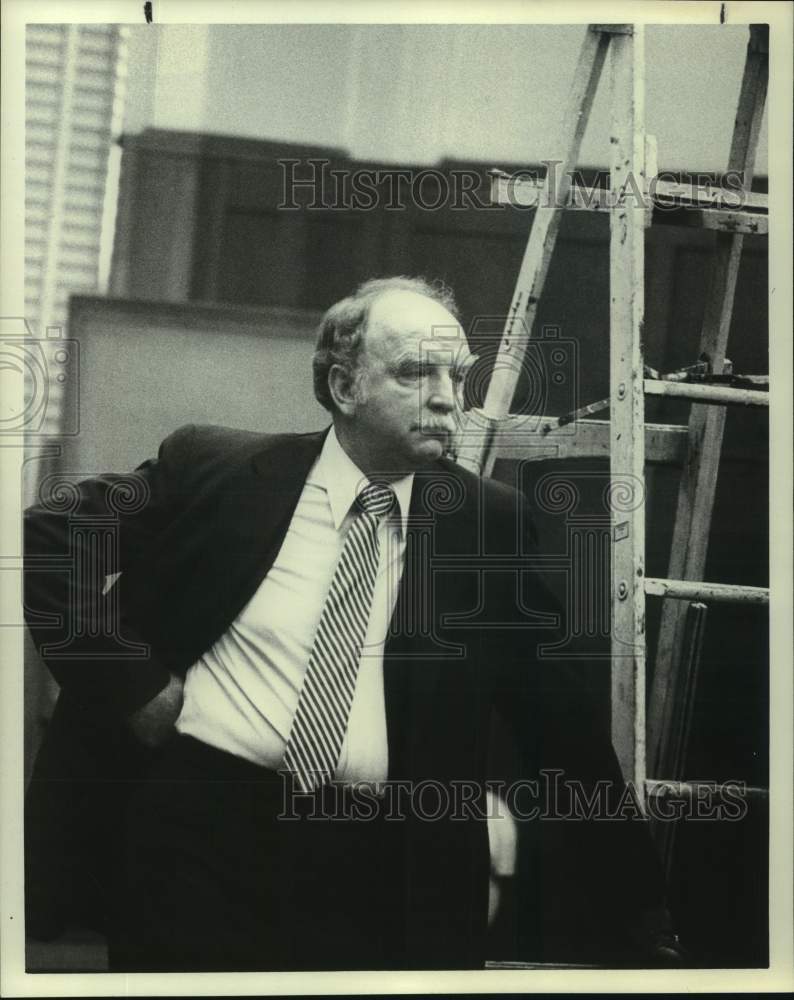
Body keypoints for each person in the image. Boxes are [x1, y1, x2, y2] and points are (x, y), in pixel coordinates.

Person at [24, 276, 680, 972]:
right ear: (343, 386)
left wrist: (638, 907)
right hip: (201, 842)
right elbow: (45, 542)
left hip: (384, 874)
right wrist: (133, 688)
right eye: (413, 373)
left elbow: (562, 727)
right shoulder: (218, 469)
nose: (445, 398)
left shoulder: (489, 524)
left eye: (457, 376)